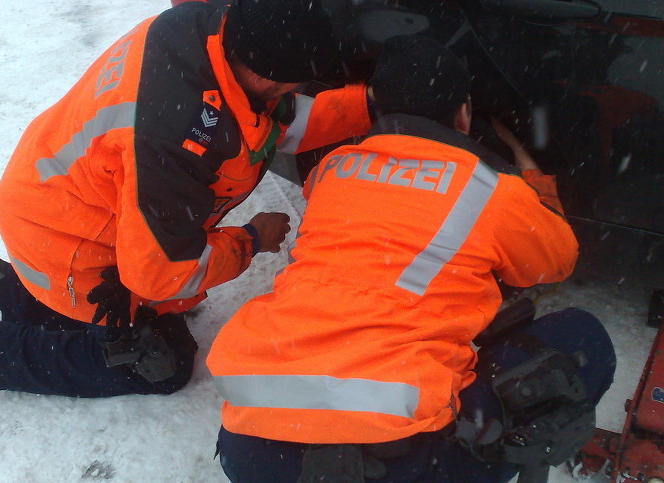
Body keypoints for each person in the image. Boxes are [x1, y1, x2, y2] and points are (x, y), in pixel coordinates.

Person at [0, 0, 373, 412]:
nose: (294, 94)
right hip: (70, 240)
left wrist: (370, 104)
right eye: (291, 85)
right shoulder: (177, 135)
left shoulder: (204, 36)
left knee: (170, 306)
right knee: (163, 363)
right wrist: (251, 239)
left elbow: (275, 125)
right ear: (261, 74)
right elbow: (159, 275)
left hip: (57, 196)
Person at [206, 35, 616, 483]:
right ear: (463, 113)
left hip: (254, 451)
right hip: (401, 462)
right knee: (584, 338)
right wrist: (529, 174)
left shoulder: (332, 169)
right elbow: (555, 261)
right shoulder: (495, 193)